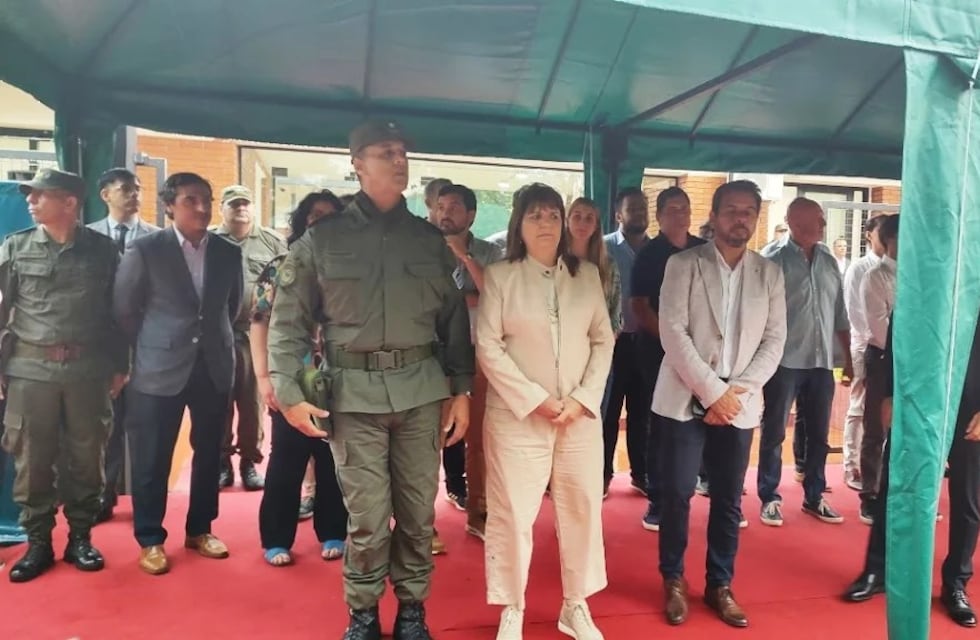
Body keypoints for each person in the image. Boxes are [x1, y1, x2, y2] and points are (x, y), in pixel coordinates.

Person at [267, 120, 474, 640]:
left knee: (417, 515)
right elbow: (287, 322)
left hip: (421, 393)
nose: (399, 160)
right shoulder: (323, 239)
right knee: (365, 516)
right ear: (357, 163)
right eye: (385, 152)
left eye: (403, 151)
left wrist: (463, 391)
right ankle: (362, 611)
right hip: (353, 396)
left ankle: (411, 611)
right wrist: (289, 393)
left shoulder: (429, 241)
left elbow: (454, 322)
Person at [478, 183, 614, 640]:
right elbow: (488, 346)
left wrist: (581, 398)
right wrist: (534, 398)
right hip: (519, 416)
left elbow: (603, 339)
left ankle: (575, 605)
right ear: (518, 222)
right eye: (535, 215)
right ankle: (512, 608)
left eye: (553, 215)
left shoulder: (587, 276)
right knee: (513, 512)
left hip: (577, 415)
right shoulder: (500, 276)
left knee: (581, 508)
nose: (546, 224)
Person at [653, 180, 786, 628]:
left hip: (740, 402)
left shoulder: (769, 273)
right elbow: (673, 333)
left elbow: (775, 341)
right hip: (685, 395)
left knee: (729, 498)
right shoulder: (682, 264)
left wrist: (736, 393)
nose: (740, 218)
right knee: (676, 493)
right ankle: (673, 579)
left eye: (749, 210)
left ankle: (719, 584)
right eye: (731, 210)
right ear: (713, 215)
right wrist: (714, 393)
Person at [0, 168, 128, 583]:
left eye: (41, 195)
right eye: (30, 196)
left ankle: (81, 538)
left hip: (88, 371)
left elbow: (119, 314)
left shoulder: (104, 251)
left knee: (87, 458)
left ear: (70, 202)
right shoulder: (15, 248)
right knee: (32, 460)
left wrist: (121, 364)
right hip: (29, 370)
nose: (31, 202)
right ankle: (38, 542)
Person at [113, 172, 243, 576]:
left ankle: (200, 529)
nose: (201, 208)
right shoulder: (146, 249)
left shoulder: (228, 251)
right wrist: (152, 346)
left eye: (206, 199)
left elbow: (233, 306)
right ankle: (150, 538)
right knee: (153, 456)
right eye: (190, 200)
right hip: (158, 368)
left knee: (210, 454)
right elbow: (125, 310)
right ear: (170, 205)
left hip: (213, 366)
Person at [843, 308, 980, 628]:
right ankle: (877, 568)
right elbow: (898, 332)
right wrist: (889, 393)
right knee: (894, 487)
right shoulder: (924, 280)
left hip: (970, 406)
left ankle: (956, 583)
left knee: (967, 499)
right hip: (917, 398)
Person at [255, 190, 348, 566]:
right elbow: (258, 322)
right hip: (291, 376)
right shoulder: (280, 264)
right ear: (301, 221)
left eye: (329, 215)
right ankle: (276, 537)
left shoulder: (349, 265)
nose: (320, 221)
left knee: (333, 457)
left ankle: (333, 532)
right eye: (313, 215)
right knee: (287, 459)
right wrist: (265, 378)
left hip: (340, 377)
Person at [758, 198, 852, 526]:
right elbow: (758, 314)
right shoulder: (772, 259)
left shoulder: (828, 259)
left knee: (819, 433)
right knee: (773, 431)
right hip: (783, 360)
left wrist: (847, 358)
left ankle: (814, 496)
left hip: (821, 361)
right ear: (796, 222)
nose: (824, 225)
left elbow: (840, 310)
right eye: (819, 219)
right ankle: (769, 496)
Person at [629, 187, 706, 531]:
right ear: (659, 216)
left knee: (697, 422)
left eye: (685, 209)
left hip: (699, 354)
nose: (680, 215)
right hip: (657, 353)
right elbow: (640, 307)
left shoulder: (702, 251)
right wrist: (673, 343)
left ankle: (697, 486)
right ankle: (658, 500)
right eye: (673, 209)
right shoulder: (649, 254)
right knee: (658, 425)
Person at [431, 182, 504, 542]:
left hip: (478, 356)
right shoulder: (422, 250)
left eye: (454, 206)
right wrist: (469, 297)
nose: (445, 212)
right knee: (427, 436)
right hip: (431, 354)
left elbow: (498, 297)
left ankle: (479, 512)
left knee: (479, 438)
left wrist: (464, 256)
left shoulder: (492, 252)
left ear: (471, 215)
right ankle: (420, 522)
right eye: (441, 206)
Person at [86, 167, 160, 524]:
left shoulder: (158, 239)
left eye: (138, 189)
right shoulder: (86, 238)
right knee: (105, 426)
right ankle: (104, 494)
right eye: (125, 189)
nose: (134, 194)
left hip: (147, 347)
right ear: (105, 195)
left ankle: (146, 499)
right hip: (99, 350)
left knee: (145, 426)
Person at [213, 184, 287, 491]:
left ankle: (249, 462)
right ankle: (222, 462)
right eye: (233, 204)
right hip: (217, 335)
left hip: (254, 336)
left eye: (245, 203)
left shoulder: (272, 242)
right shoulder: (210, 241)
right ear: (223, 210)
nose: (240, 208)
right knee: (219, 402)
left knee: (253, 403)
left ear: (253, 208)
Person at [602, 187, 651, 496]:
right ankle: (602, 474)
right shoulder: (603, 248)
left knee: (642, 412)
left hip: (646, 341)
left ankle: (641, 474)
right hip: (612, 342)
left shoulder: (656, 249)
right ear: (619, 215)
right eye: (634, 209)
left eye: (644, 209)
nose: (641, 214)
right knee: (607, 411)